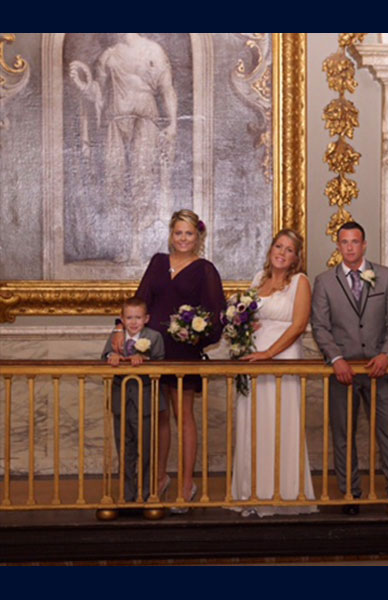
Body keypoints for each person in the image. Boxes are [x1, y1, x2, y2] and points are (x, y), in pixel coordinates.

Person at [111, 209, 225, 512]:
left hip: (183, 354)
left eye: (189, 233)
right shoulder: (158, 262)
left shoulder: (205, 269)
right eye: (178, 233)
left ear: (197, 236)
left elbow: (216, 315)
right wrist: (120, 330)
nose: (183, 238)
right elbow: (139, 299)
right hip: (150, 352)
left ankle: (187, 484)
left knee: (183, 415)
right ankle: (159, 478)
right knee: (159, 416)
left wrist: (196, 335)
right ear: (171, 235)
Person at [311, 221, 388, 515]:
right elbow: (320, 325)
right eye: (345, 242)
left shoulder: (386, 276)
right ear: (338, 245)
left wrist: (387, 354)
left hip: (379, 368)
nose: (350, 247)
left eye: (355, 242)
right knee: (343, 433)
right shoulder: (324, 282)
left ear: (364, 244)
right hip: (343, 371)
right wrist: (336, 359)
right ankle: (350, 493)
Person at [69, 33, 178, 262]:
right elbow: (98, 94)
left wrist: (173, 123)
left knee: (142, 180)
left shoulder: (153, 51)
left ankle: (137, 246)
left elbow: (167, 89)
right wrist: (84, 86)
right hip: (115, 121)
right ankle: (122, 244)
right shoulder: (108, 56)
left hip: (144, 119)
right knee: (115, 182)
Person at [230, 229, 316, 516]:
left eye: (289, 249)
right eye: (278, 246)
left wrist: (269, 353)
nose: (281, 252)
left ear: (295, 257)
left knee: (280, 422)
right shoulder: (258, 280)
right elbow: (248, 316)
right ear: (271, 249)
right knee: (253, 422)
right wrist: (243, 329)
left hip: (282, 358)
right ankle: (251, 491)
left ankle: (284, 492)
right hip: (253, 359)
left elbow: (298, 325)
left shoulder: (300, 282)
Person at [101, 296, 165, 503]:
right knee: (124, 449)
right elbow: (103, 357)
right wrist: (113, 357)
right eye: (129, 317)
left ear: (146, 318)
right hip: (121, 401)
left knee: (145, 449)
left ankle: (146, 493)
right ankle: (127, 494)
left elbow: (162, 363)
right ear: (122, 319)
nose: (134, 322)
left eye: (138, 317)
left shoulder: (154, 337)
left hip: (145, 401)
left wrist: (145, 361)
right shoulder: (115, 336)